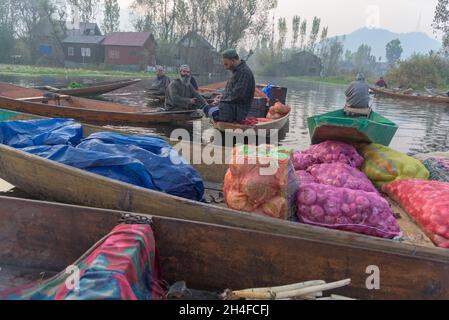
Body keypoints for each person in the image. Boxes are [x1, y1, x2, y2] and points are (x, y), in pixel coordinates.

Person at [203, 49, 256, 123]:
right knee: (206, 107)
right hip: (229, 107)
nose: (225, 67)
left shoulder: (244, 72)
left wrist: (222, 99)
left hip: (236, 113)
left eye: (226, 64)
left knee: (209, 110)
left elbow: (238, 95)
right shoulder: (237, 71)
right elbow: (231, 91)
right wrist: (222, 96)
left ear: (233, 61)